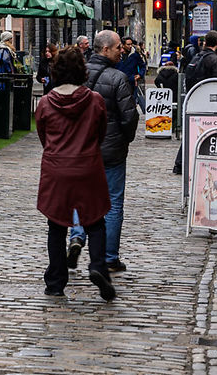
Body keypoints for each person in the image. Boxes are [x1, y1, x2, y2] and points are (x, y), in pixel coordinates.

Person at [36, 46, 115, 300]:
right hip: (87, 165)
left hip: (57, 168)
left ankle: (56, 280)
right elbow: (100, 133)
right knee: (96, 221)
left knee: (56, 224)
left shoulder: (46, 103)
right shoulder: (94, 101)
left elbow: (43, 136)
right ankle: (98, 266)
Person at [67, 30, 138, 273]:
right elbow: (130, 117)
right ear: (105, 49)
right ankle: (109, 257)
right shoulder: (118, 78)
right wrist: (124, 140)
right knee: (113, 202)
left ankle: (76, 236)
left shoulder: (79, 75)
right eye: (118, 47)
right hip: (112, 150)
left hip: (83, 149)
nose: (122, 51)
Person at [174, 30, 217, 174]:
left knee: (193, 131)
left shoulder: (196, 57)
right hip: (208, 102)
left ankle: (180, 163)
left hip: (194, 99)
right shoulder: (215, 60)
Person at [117, 36, 147, 112]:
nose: (130, 46)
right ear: (123, 45)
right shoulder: (117, 54)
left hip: (131, 82)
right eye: (128, 44)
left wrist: (140, 75)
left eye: (131, 44)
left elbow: (143, 66)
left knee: (131, 104)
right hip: (118, 82)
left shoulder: (135, 55)